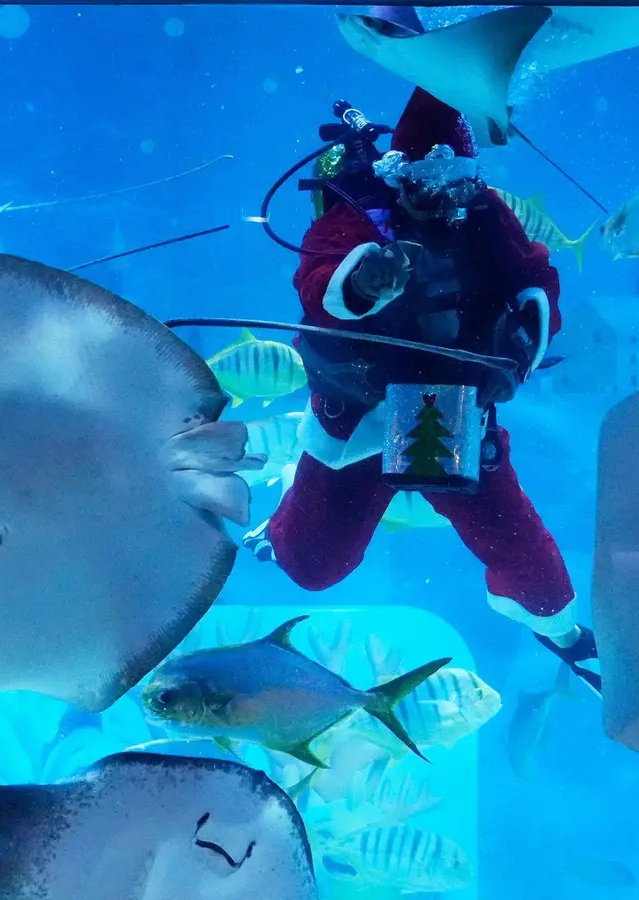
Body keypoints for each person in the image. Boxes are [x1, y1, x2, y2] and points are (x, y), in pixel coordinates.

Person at [241, 87, 602, 692]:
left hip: (448, 410)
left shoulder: (483, 211)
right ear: (399, 171)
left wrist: (524, 337)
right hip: (362, 413)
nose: (444, 193)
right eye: (428, 176)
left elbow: (536, 274)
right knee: (315, 566)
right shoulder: (359, 213)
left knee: (535, 573)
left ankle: (566, 635)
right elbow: (316, 278)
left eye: (456, 177)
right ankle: (279, 521)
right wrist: (363, 281)